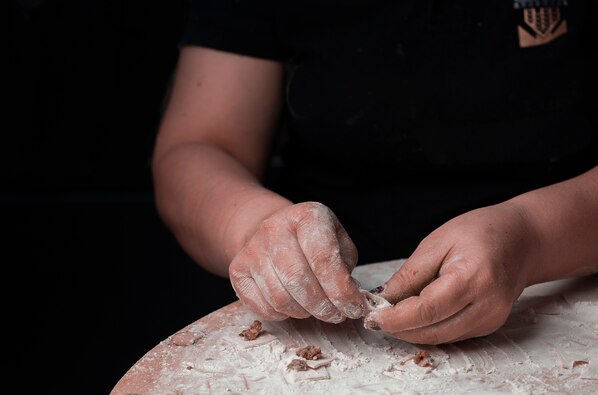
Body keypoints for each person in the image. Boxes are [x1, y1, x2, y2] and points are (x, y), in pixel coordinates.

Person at [152, 1, 598, 345]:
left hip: (566, 278)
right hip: (333, 312)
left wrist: (533, 236)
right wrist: (253, 225)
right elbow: (198, 147)